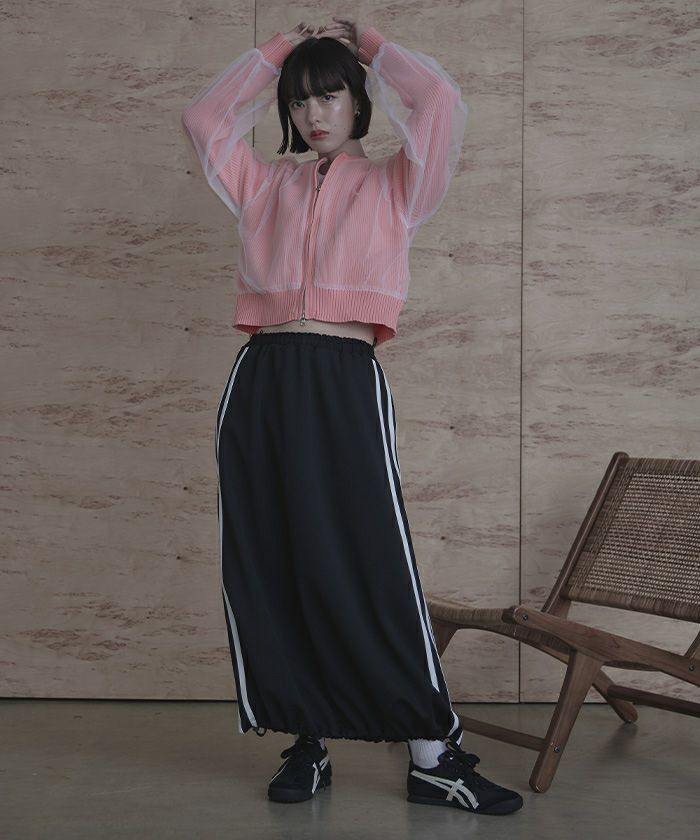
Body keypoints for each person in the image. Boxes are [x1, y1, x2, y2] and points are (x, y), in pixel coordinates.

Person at [182, 16, 523, 817]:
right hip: (263, 377)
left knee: (370, 557)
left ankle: (432, 754)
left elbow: (438, 101)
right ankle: (308, 738)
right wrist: (277, 51)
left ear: (359, 101)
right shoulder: (262, 184)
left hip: (342, 379)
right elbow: (205, 119)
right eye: (300, 99)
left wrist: (366, 44)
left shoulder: (399, 183)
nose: (314, 113)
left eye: (330, 94)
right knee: (275, 556)